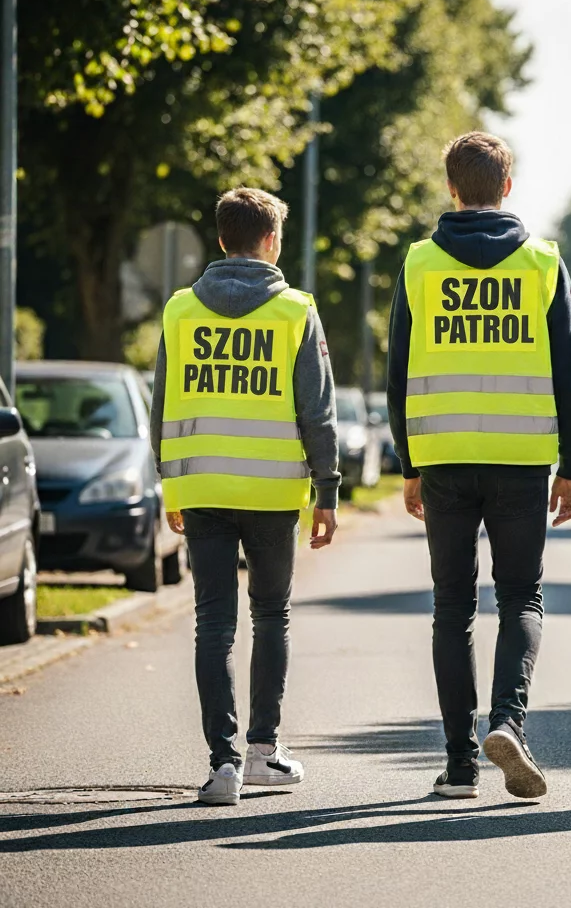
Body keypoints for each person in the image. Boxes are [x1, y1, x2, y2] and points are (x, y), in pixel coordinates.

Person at [387, 132, 571, 800]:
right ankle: (507, 720)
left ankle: (460, 765)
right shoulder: (541, 263)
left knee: (452, 607)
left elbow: (399, 371)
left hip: (443, 455)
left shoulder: (419, 263)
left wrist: (407, 463)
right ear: (508, 187)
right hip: (522, 457)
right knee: (521, 597)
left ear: (451, 188)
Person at [150, 187, 340, 806]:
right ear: (270, 240)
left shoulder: (181, 311)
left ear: (221, 237)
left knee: (212, 622)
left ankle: (222, 764)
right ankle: (263, 751)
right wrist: (328, 491)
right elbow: (317, 412)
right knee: (270, 615)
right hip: (271, 489)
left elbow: (162, 407)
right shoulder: (294, 311)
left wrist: (168, 482)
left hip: (201, 484)